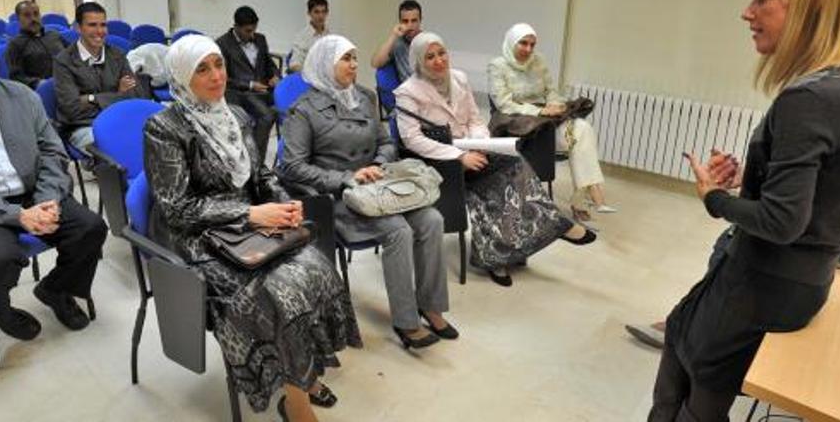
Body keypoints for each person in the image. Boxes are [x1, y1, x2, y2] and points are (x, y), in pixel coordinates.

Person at [648, 0, 840, 421]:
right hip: (804, 279)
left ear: (808, 9)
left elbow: (782, 221)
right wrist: (754, 183)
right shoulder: (835, 89)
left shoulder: (809, 98)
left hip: (764, 279)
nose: (747, 12)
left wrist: (714, 197)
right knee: (678, 330)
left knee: (700, 383)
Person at [143, 35, 360, 421]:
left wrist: (278, 200)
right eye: (202, 69)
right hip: (200, 240)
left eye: (219, 65)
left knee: (318, 267)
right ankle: (296, 403)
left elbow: (259, 174)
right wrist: (249, 215)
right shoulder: (164, 127)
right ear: (181, 76)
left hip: (249, 227)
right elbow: (177, 208)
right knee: (281, 294)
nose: (216, 76)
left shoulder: (236, 115)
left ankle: (303, 373)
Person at [277, 35, 457, 348]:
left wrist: (378, 163)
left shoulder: (363, 97)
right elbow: (291, 166)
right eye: (345, 59)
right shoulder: (303, 111)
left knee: (432, 221)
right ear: (324, 64)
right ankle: (406, 322)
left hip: (379, 187)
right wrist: (346, 177)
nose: (354, 65)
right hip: (340, 198)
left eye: (355, 58)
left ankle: (429, 305)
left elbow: (386, 142)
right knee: (398, 230)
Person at [396, 32, 596, 286]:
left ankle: (508, 251)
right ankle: (507, 251)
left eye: (441, 53)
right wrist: (459, 156)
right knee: (493, 185)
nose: (438, 61)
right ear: (418, 61)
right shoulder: (407, 93)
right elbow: (413, 140)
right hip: (441, 161)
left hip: (472, 149)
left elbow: (474, 119)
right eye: (430, 56)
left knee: (515, 165)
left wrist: (480, 143)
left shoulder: (458, 78)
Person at [0, 22, 107, 341]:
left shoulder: (21, 96)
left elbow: (53, 153)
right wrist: (18, 216)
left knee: (91, 228)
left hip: (35, 193)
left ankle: (55, 289)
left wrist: (48, 200)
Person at [488, 23, 615, 221]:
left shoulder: (538, 61)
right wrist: (539, 110)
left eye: (532, 44)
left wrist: (556, 106)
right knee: (579, 136)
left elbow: (551, 91)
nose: (528, 49)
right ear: (512, 42)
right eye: (523, 43)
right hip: (519, 128)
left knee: (582, 129)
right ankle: (592, 194)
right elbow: (503, 104)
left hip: (545, 124)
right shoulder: (497, 65)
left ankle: (581, 197)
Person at [53, 2, 147, 150]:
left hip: (119, 119)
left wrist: (91, 98)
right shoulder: (64, 61)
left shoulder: (117, 55)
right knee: (116, 149)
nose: (99, 31)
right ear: (78, 28)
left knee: (153, 142)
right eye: (92, 25)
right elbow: (71, 109)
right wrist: (118, 94)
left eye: (103, 25)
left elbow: (136, 95)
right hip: (85, 126)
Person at [216, 5, 280, 164]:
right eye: (247, 31)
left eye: (254, 30)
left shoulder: (260, 39)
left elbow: (268, 63)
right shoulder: (223, 44)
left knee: (293, 109)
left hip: (264, 89)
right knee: (267, 115)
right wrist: (250, 85)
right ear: (236, 27)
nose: (252, 34)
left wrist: (275, 75)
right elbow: (224, 77)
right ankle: (257, 163)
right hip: (240, 93)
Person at [5, 0, 67, 89]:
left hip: (68, 83)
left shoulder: (54, 35)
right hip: (42, 90)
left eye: (36, 14)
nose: (33, 19)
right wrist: (39, 83)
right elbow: (16, 77)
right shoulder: (15, 45)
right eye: (27, 15)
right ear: (19, 19)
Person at [370, 0, 423, 82]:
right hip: (407, 92)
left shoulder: (429, 41)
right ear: (400, 22)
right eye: (405, 21)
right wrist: (393, 36)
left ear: (420, 21)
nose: (410, 25)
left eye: (414, 21)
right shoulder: (397, 43)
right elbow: (375, 63)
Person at [288, 0, 330, 73]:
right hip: (308, 78)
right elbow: (294, 65)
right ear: (309, 13)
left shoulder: (329, 35)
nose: (321, 16)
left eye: (323, 12)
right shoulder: (302, 37)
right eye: (316, 12)